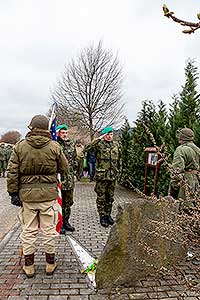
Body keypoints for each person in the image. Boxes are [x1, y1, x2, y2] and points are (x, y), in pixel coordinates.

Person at [7, 115, 68, 278]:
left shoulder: (20, 147)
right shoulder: (54, 146)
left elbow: (12, 172)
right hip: (48, 196)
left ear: (32, 128)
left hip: (27, 197)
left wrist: (13, 193)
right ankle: (50, 264)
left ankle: (29, 266)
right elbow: (65, 167)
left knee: (29, 231)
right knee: (49, 230)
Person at [86, 126, 121, 227]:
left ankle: (108, 215)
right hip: (102, 176)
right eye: (107, 135)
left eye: (111, 134)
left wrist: (119, 172)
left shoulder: (116, 145)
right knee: (101, 197)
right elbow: (88, 148)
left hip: (112, 176)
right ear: (104, 135)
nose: (110, 136)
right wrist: (98, 139)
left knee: (110, 197)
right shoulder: (99, 145)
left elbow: (120, 160)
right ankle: (102, 216)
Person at [169, 128, 200, 211]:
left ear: (182, 137)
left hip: (185, 185)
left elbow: (176, 172)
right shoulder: (198, 150)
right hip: (197, 183)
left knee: (184, 212)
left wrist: (173, 189)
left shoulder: (181, 150)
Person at [56, 124, 77, 233]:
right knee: (59, 201)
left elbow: (74, 160)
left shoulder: (71, 144)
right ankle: (59, 224)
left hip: (69, 178)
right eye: (62, 133)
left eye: (66, 133)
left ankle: (66, 221)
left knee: (68, 202)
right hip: (59, 178)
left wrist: (74, 175)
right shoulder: (54, 144)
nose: (64, 135)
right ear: (58, 133)